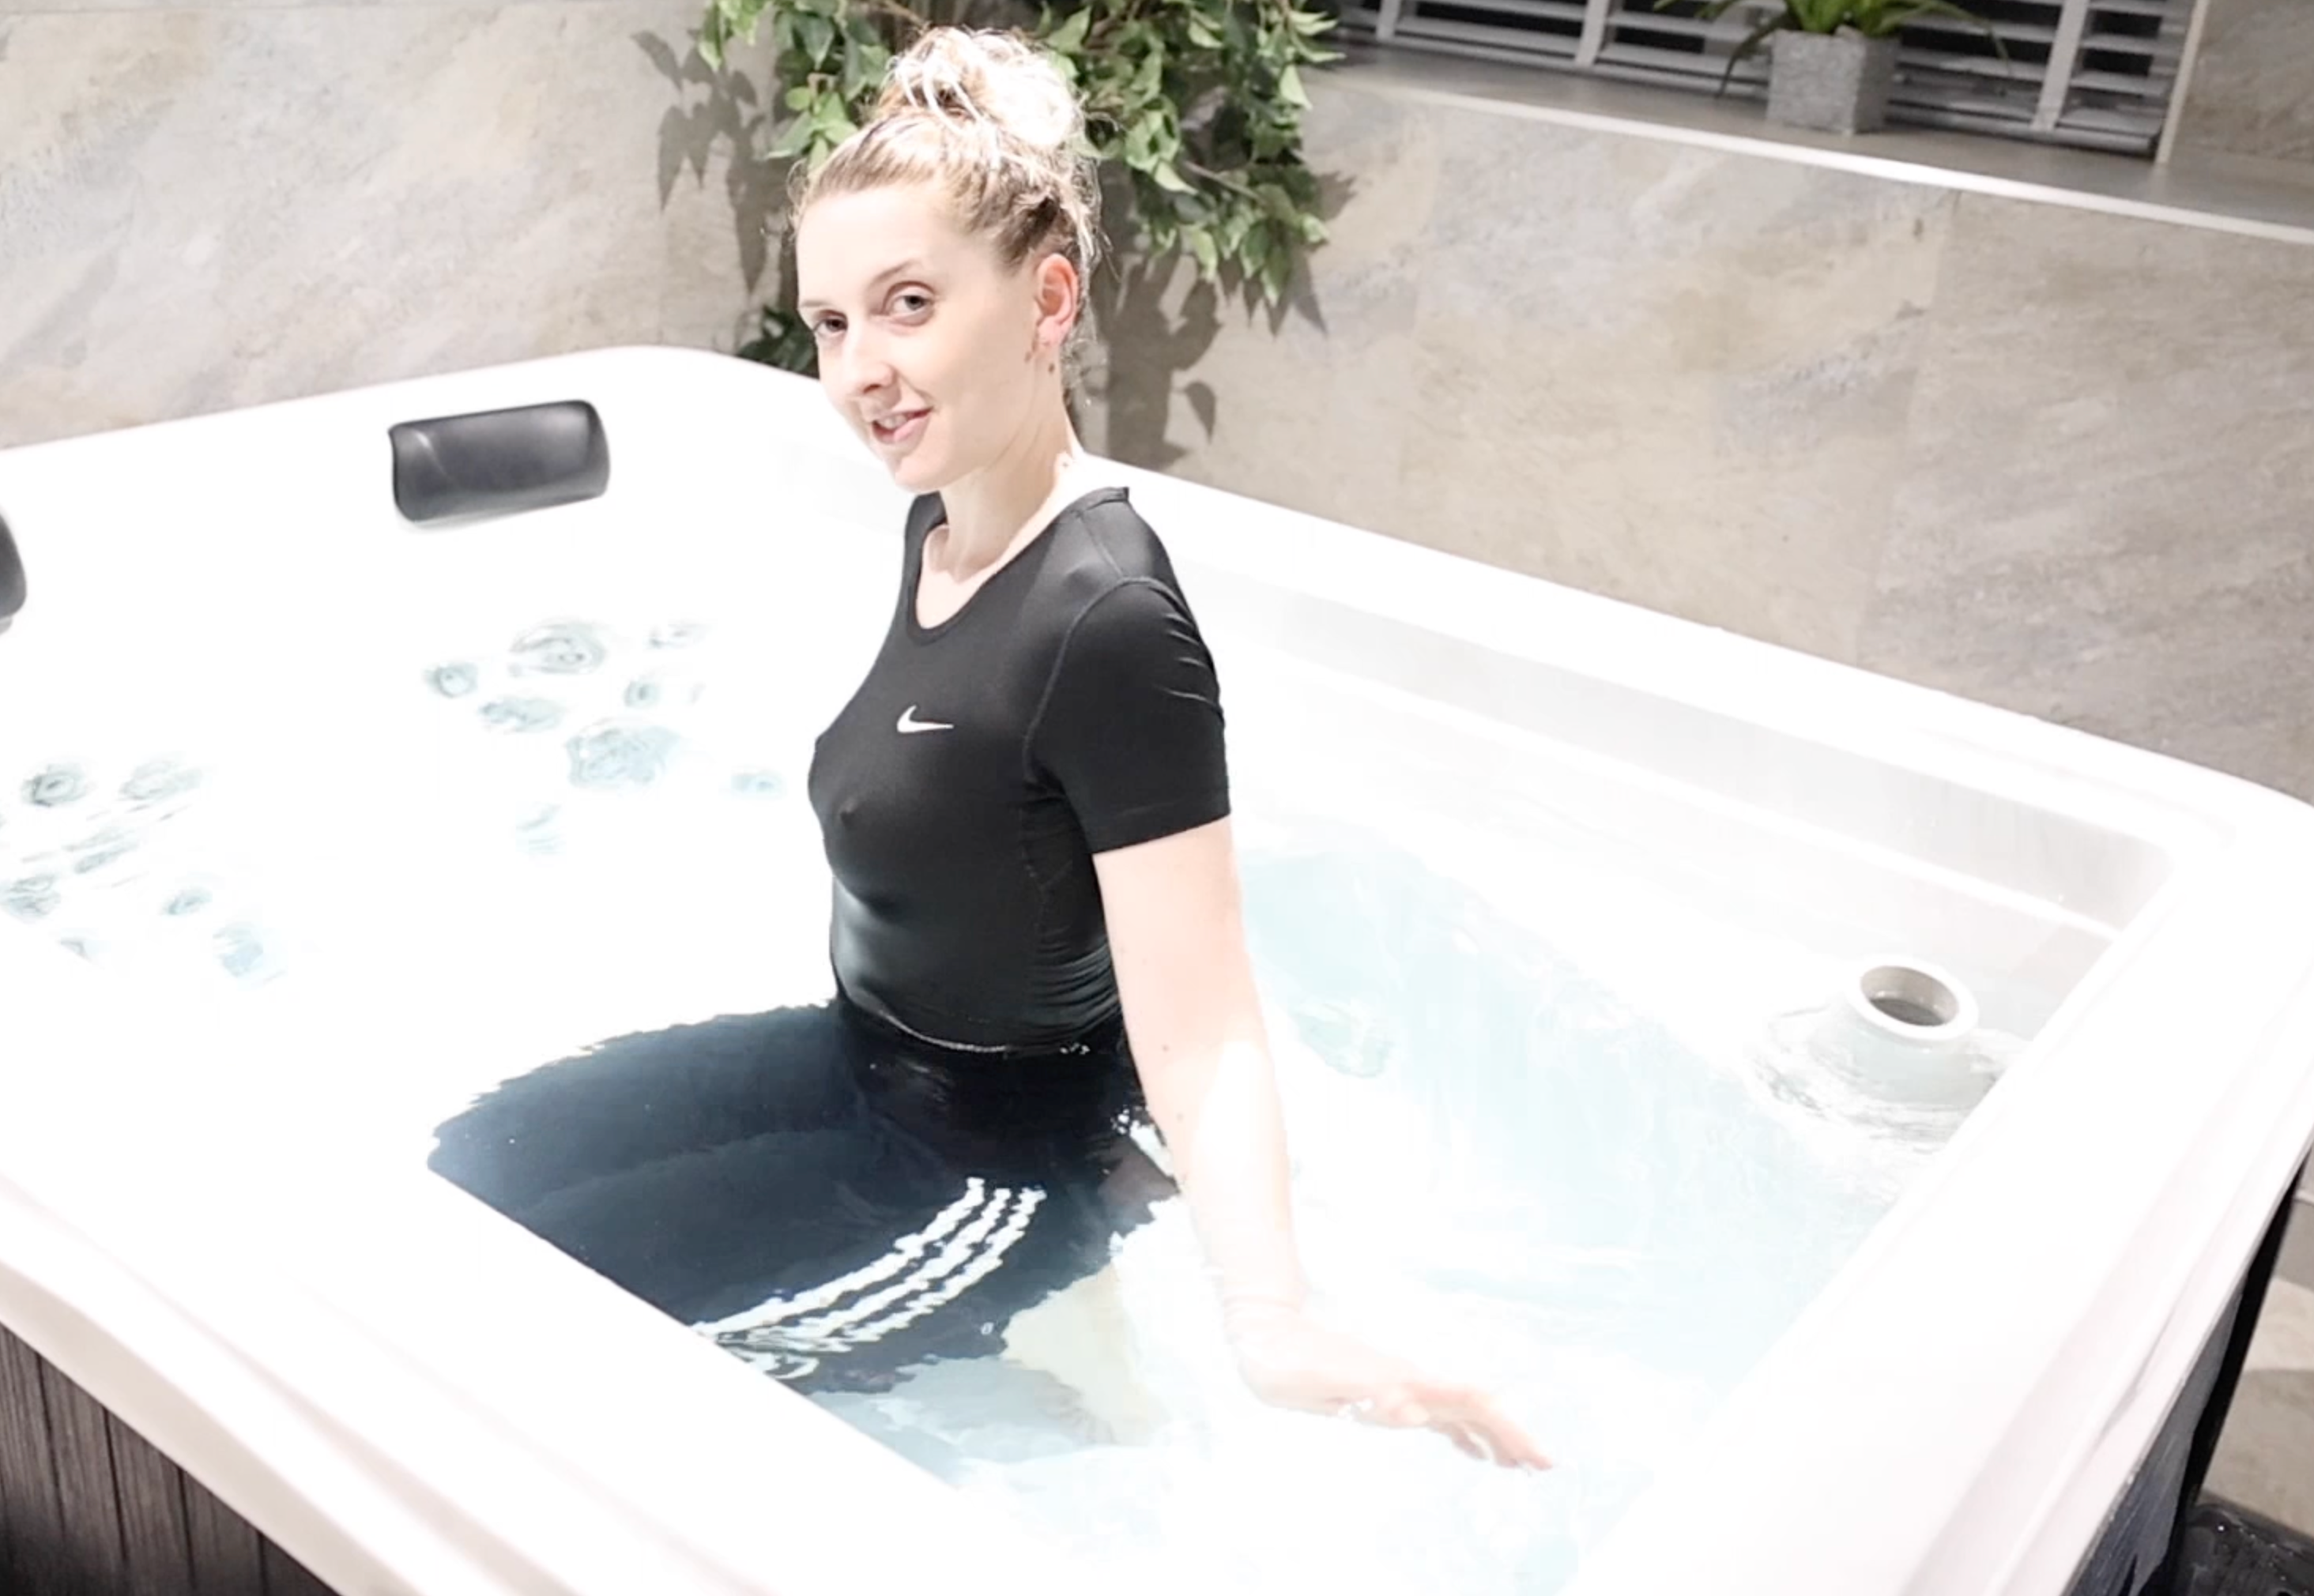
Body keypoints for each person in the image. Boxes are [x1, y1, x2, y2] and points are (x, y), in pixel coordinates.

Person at [431, 24, 1544, 1470]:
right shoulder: (940, 528)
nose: (862, 369)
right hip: (865, 1065)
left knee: (553, 1361)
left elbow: (1205, 1017)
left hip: (988, 1160)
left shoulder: (1108, 619)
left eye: (908, 305)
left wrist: (1271, 1320)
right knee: (471, 1177)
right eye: (832, 323)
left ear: (1047, 299)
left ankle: (1051, 1346)